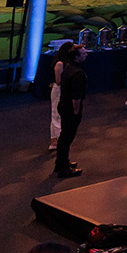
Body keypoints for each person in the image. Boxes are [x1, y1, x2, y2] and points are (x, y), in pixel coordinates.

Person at [54, 44, 87, 178]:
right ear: (77, 57)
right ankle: (63, 168)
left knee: (64, 136)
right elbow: (76, 95)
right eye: (83, 54)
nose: (86, 55)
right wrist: (76, 111)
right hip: (70, 108)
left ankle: (61, 162)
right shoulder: (78, 73)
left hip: (63, 105)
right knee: (67, 137)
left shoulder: (68, 68)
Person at [47, 44, 72, 152]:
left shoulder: (64, 62)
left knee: (58, 114)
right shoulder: (60, 63)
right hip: (58, 90)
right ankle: (57, 139)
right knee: (56, 114)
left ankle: (54, 141)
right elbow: (58, 81)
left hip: (61, 90)